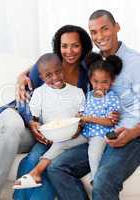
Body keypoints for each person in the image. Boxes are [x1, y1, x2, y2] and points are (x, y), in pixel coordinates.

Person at [45, 9, 140, 200]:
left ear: (117, 27)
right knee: (56, 168)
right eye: (94, 32)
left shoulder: (135, 62)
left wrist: (133, 132)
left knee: (103, 179)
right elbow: (59, 63)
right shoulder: (92, 61)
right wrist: (24, 74)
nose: (100, 36)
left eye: (104, 29)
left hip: (130, 136)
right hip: (97, 132)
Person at [13, 54, 122, 190]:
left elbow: (110, 122)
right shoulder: (88, 95)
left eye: (104, 82)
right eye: (96, 81)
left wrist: (86, 119)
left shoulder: (111, 98)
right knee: (60, 144)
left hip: (99, 135)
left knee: (94, 153)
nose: (99, 86)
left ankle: (97, 182)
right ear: (90, 80)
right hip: (86, 132)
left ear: (111, 81)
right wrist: (80, 119)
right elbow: (82, 115)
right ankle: (36, 173)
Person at [13, 25, 93, 200]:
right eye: (64, 46)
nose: (69, 51)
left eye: (75, 45)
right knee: (33, 157)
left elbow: (86, 111)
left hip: (72, 136)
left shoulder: (88, 75)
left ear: (83, 47)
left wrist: (80, 125)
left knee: (52, 162)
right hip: (46, 133)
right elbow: (30, 100)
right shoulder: (47, 69)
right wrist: (32, 123)